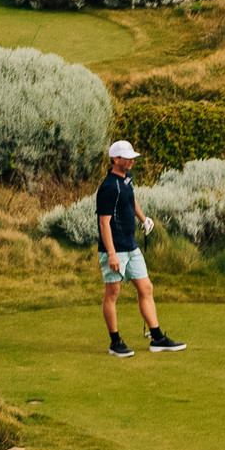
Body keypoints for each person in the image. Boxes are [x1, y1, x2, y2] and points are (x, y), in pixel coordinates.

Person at [95, 140, 184, 358]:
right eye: (127, 157)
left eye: (133, 156)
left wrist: (143, 219)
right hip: (114, 249)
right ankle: (115, 342)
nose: (132, 160)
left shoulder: (127, 179)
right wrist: (112, 254)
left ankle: (157, 338)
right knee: (112, 292)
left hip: (132, 246)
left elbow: (131, 201)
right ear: (116, 160)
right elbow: (103, 223)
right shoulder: (108, 187)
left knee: (146, 288)